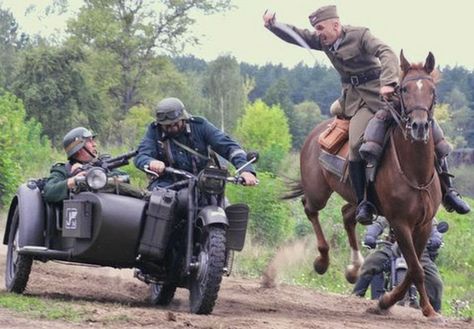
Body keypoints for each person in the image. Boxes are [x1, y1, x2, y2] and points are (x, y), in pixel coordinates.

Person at [263, 5, 399, 225]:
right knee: (355, 145)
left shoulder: (360, 35)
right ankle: (363, 202)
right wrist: (273, 25)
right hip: (356, 101)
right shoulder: (323, 40)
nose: (317, 33)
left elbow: (386, 52)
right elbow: (297, 35)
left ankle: (447, 190)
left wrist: (389, 83)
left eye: (320, 27)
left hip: (381, 91)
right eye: (315, 29)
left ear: (335, 25)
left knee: (423, 125)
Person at [134, 97, 257, 189]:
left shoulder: (200, 126)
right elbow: (141, 155)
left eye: (176, 123)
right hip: (167, 183)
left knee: (223, 210)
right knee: (156, 206)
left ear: (183, 118)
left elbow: (229, 147)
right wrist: (151, 162)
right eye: (167, 125)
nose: (172, 127)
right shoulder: (154, 131)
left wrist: (245, 169)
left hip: (203, 182)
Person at [352, 217, 444, 312]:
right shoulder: (395, 208)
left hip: (418, 250)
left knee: (436, 283)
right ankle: (355, 299)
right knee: (370, 263)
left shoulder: (424, 212)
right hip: (392, 246)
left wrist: (436, 238)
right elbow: (379, 223)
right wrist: (371, 235)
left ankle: (436, 311)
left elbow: (433, 227)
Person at [43, 127, 140, 203]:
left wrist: (95, 174)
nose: (94, 144)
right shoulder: (63, 170)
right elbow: (49, 192)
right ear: (79, 148)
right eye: (89, 141)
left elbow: (124, 177)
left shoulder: (101, 164)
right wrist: (74, 180)